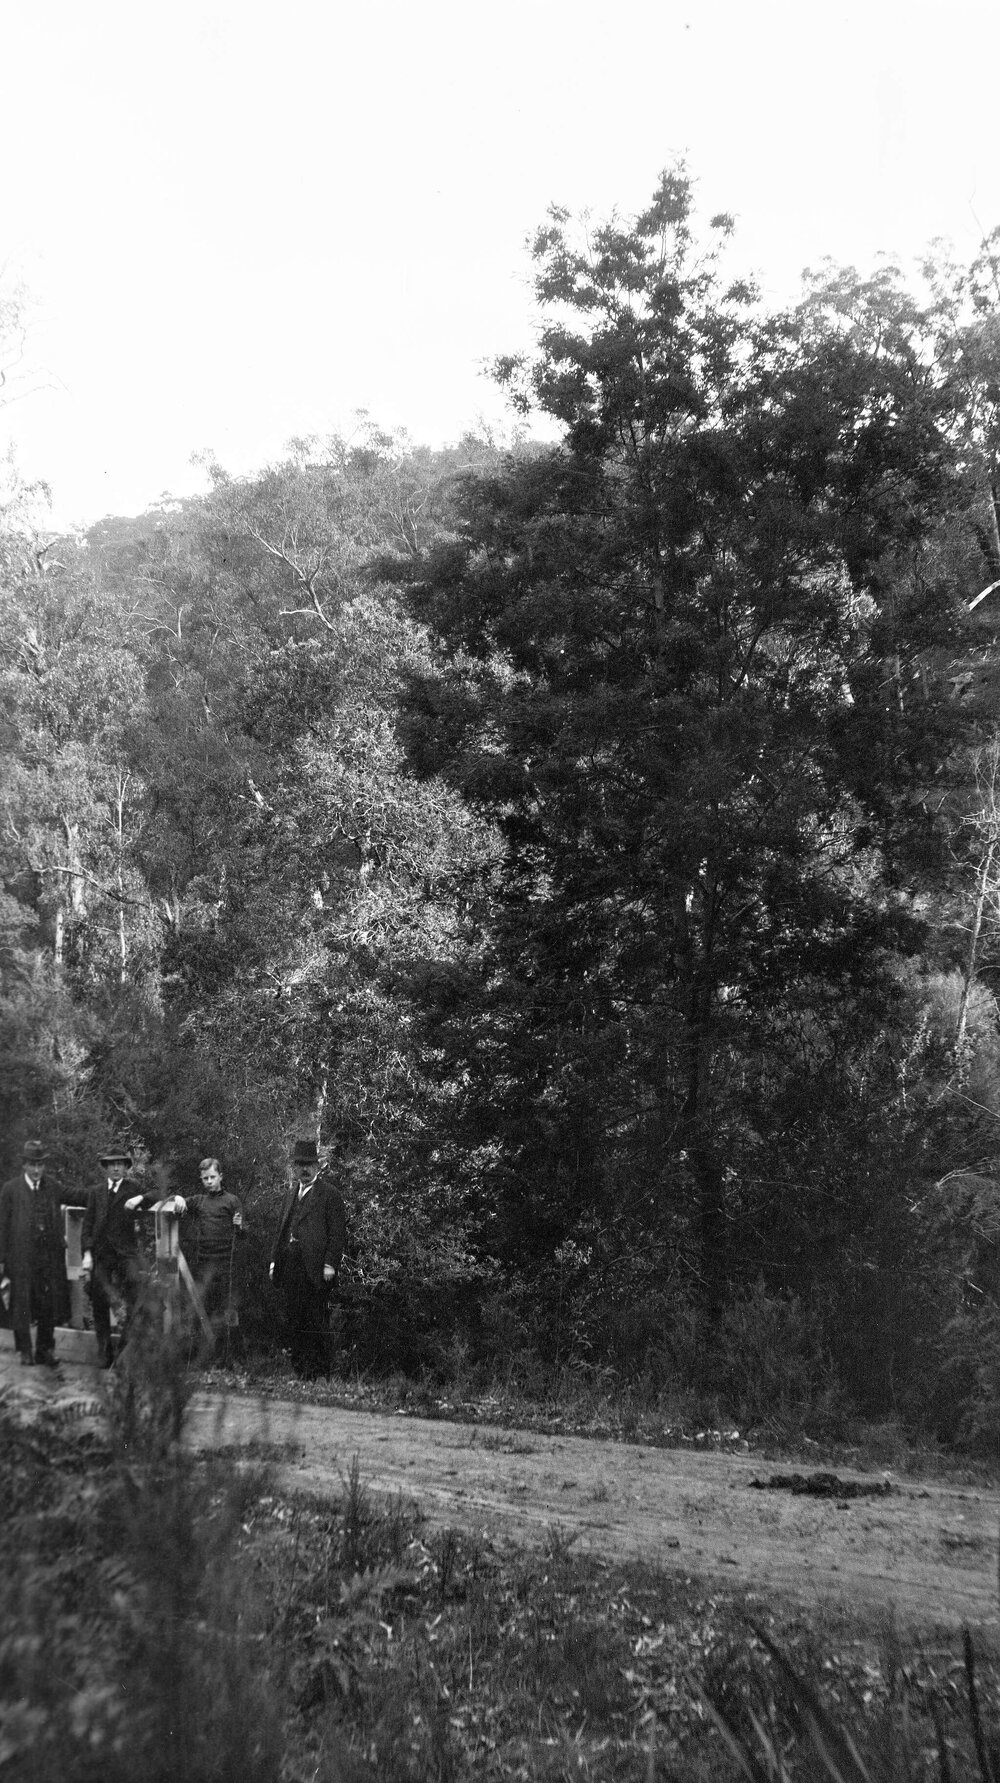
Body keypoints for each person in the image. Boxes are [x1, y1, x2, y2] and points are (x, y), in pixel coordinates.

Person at [269, 1138, 347, 1380]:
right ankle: (301, 1372)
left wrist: (330, 1264)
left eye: (309, 1164)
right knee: (295, 1320)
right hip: (291, 1267)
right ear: (295, 1167)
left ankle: (321, 1374)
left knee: (317, 1321)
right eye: (300, 1164)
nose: (304, 1169)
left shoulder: (330, 1195)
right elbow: (281, 1230)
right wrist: (274, 1262)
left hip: (316, 1270)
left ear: (317, 1166)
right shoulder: (290, 1195)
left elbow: (337, 1233)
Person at [81, 1143, 164, 1368]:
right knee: (98, 1299)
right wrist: (87, 1254)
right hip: (101, 1254)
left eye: (120, 1164)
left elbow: (158, 1192)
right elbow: (87, 1227)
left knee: (137, 1299)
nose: (116, 1168)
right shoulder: (96, 1193)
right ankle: (104, 1351)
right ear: (105, 1168)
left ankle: (123, 1353)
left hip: (126, 1254)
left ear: (125, 1167)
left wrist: (140, 1199)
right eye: (112, 1164)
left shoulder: (132, 1187)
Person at [0, 1138, 65, 1368]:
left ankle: (44, 1351)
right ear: (24, 1165)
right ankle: (25, 1351)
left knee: (47, 1305)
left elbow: (79, 1195)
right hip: (20, 1258)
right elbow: (2, 1226)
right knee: (21, 1305)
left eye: (40, 1165)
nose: (37, 1170)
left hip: (46, 1258)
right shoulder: (11, 1189)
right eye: (32, 1165)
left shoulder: (52, 1186)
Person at [172, 1157, 246, 1355]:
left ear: (221, 1176)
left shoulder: (232, 1201)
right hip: (204, 1265)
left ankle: (232, 1357)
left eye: (213, 1177)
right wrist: (178, 1198)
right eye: (205, 1178)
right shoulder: (199, 1201)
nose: (209, 1181)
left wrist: (240, 1226)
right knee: (204, 1309)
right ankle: (206, 1357)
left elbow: (243, 1234)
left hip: (226, 1265)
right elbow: (180, 1204)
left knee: (228, 1311)